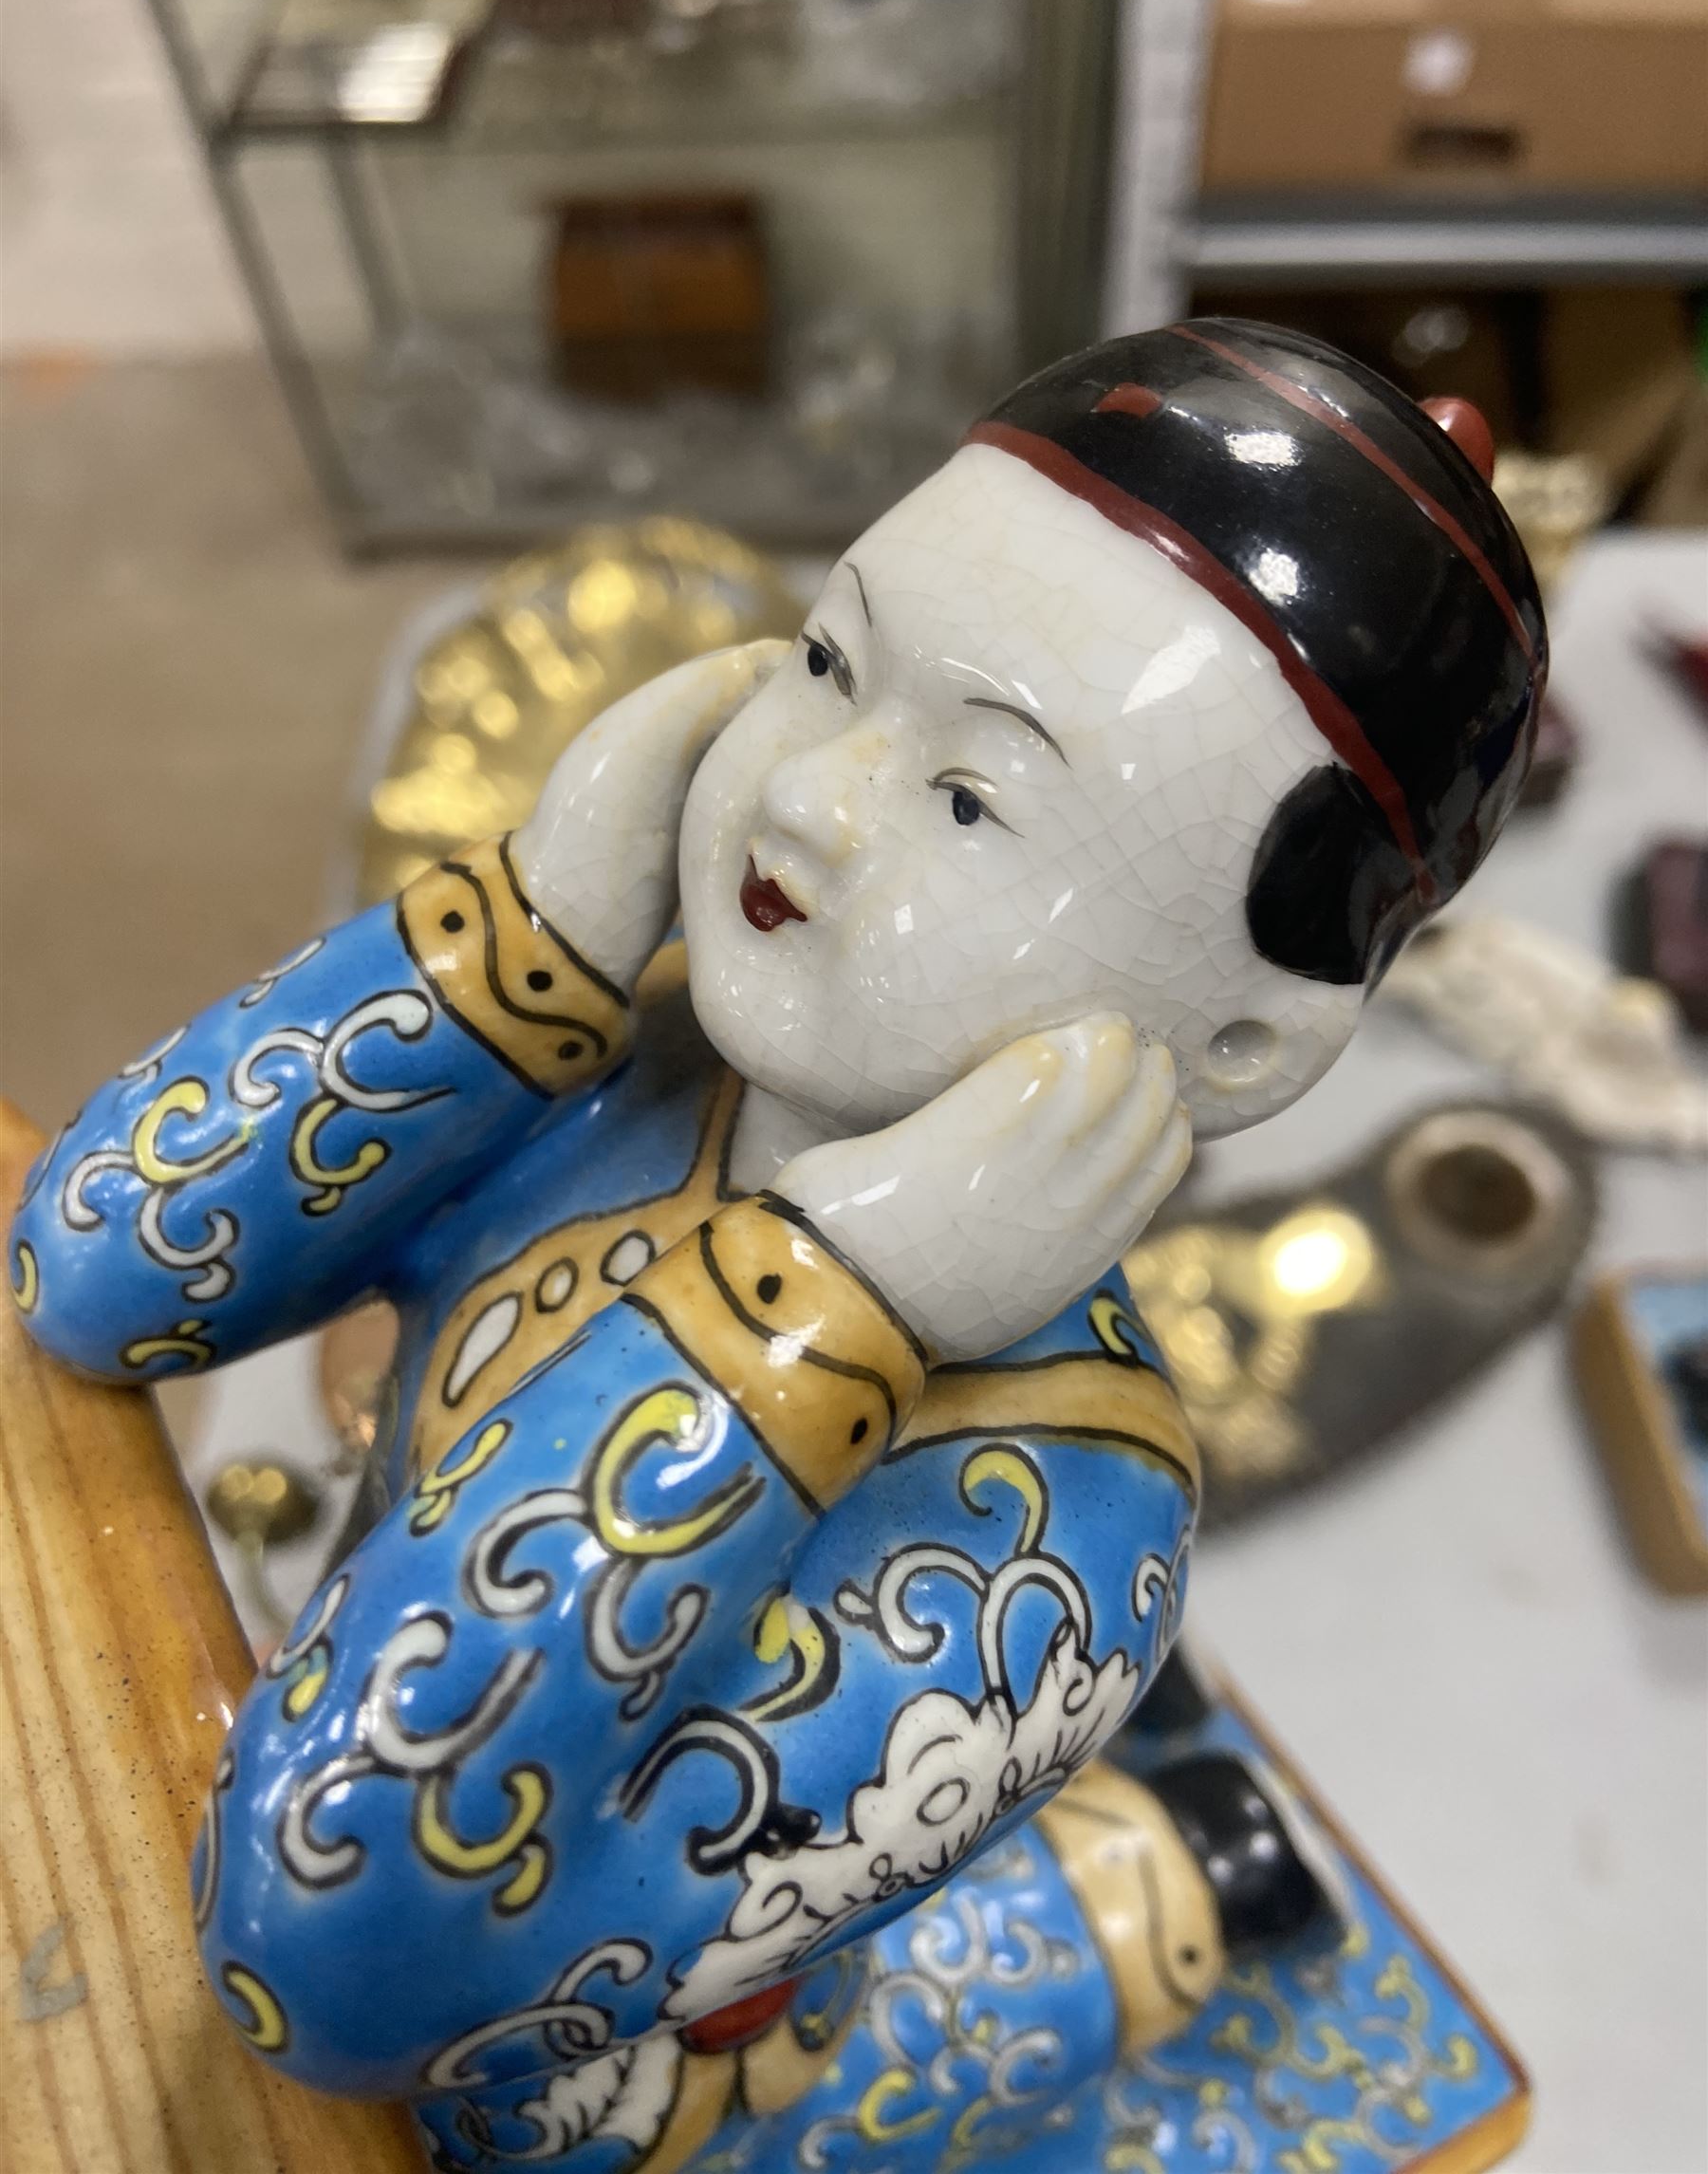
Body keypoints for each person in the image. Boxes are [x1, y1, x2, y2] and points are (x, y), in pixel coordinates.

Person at [9, 322, 1543, 2165]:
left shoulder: (1067, 1526)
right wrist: (521, 946)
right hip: (283, 1713)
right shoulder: (628, 1065)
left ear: (1243, 1045)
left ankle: (1169, 1887)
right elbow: (97, 1266)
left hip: (610, 2106)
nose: (811, 791)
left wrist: (818, 1312)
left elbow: (324, 1959)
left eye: (971, 796)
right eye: (831, 663)